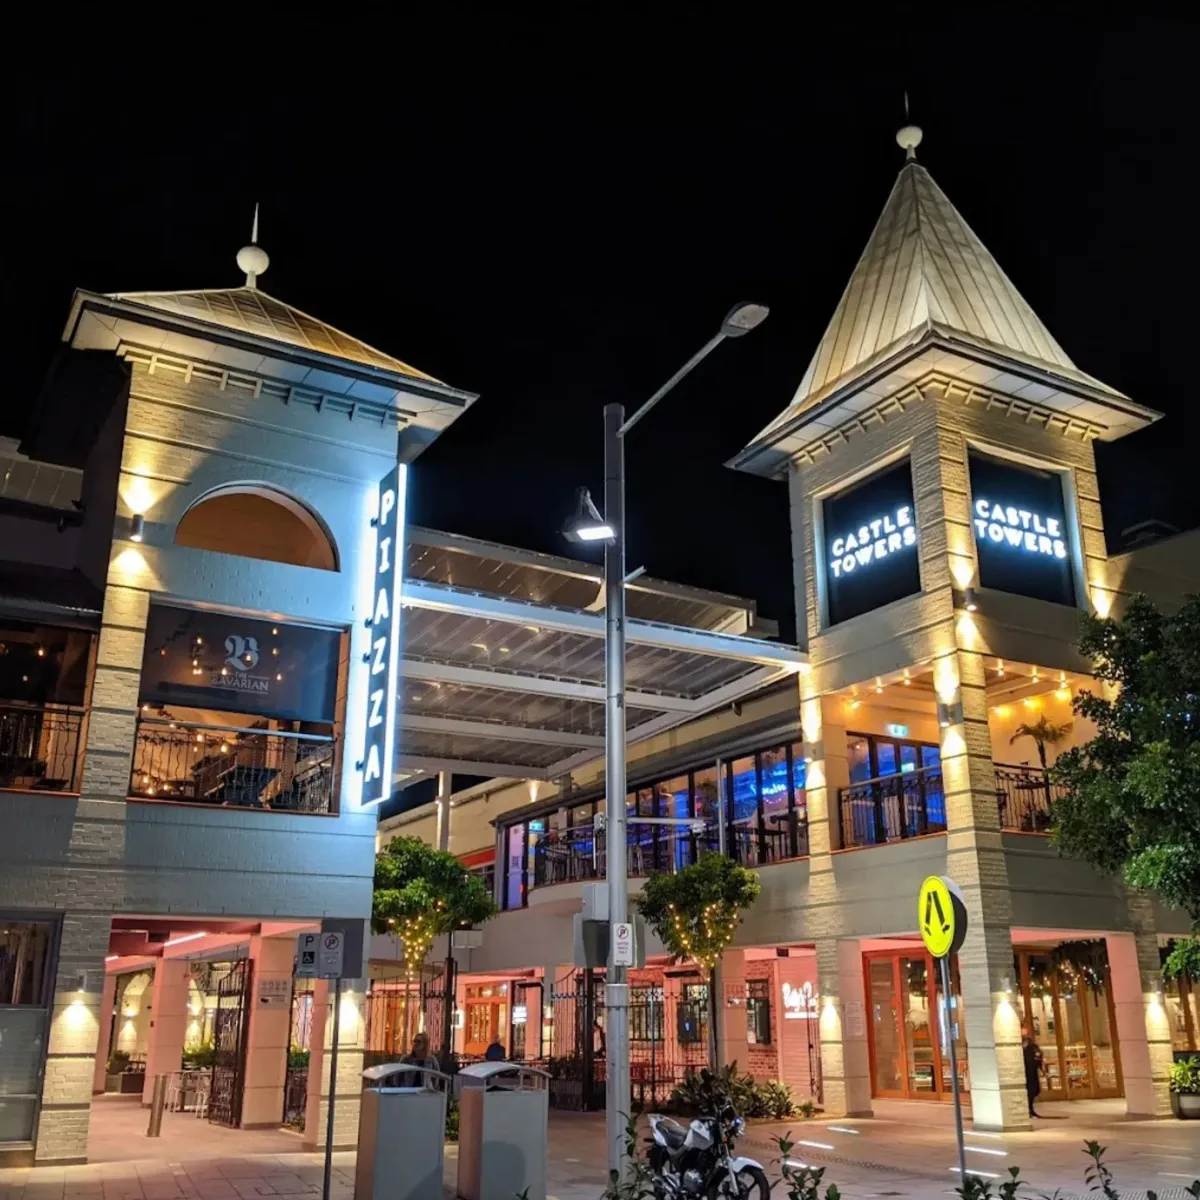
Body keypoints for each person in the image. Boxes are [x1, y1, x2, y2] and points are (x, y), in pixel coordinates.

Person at [1022, 1025, 1044, 1118]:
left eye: (1024, 1029)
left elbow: (1038, 1053)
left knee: (1032, 1090)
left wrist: (1039, 1063)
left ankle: (1030, 1109)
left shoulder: (1031, 1044)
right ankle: (1026, 1110)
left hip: (1031, 1071)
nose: (1024, 1031)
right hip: (1022, 1071)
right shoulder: (1018, 1044)